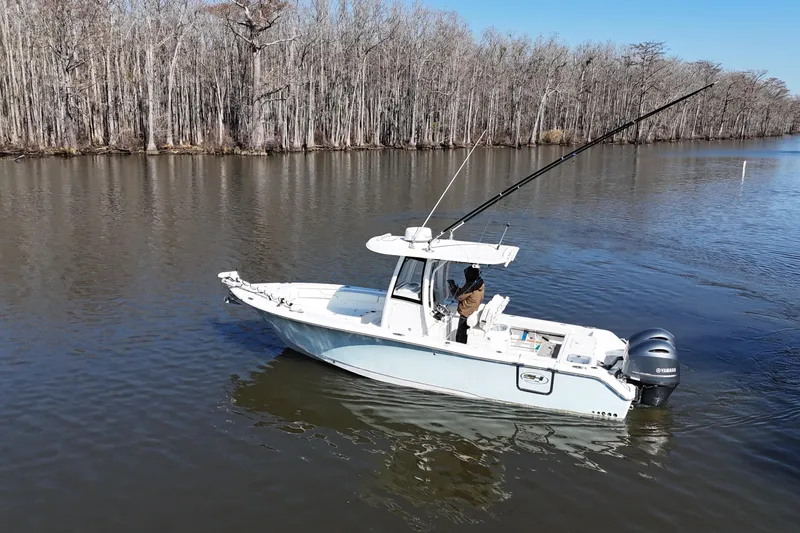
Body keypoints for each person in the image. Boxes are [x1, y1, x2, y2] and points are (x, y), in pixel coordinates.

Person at [450, 265, 485, 344]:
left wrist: (452, 288)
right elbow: (466, 294)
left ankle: (459, 346)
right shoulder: (480, 283)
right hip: (473, 310)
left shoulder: (470, 285)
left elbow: (459, 297)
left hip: (466, 312)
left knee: (461, 334)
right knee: (465, 332)